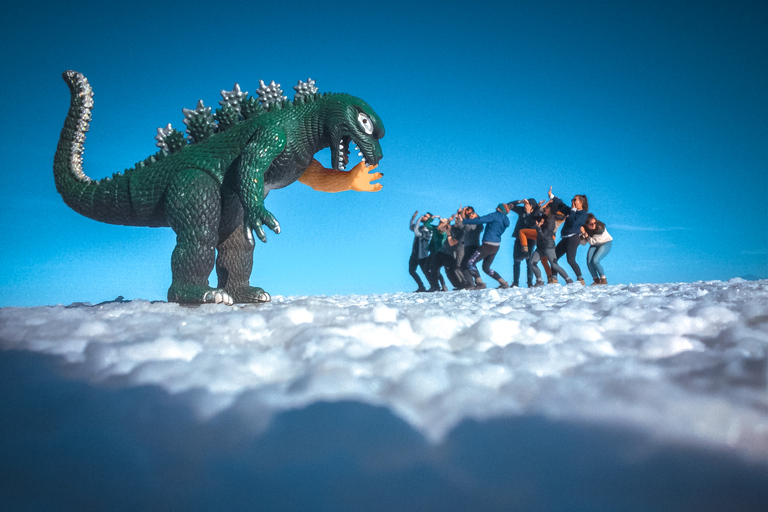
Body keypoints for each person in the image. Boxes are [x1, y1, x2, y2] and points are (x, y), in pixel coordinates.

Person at [520, 199, 572, 285]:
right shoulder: (544, 217)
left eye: (547, 207)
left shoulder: (551, 221)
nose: (545, 208)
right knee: (532, 263)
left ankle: (568, 280)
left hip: (548, 246)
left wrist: (538, 227)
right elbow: (533, 217)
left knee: (554, 265)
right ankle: (539, 280)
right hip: (540, 247)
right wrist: (537, 206)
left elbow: (544, 235)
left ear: (551, 210)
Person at [461, 204, 511, 289]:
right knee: (486, 268)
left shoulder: (495, 215)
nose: (496, 208)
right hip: (496, 246)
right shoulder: (506, 219)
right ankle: (503, 283)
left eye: (497, 207)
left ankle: (480, 283)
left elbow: (481, 220)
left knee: (470, 263)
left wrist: (464, 220)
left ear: (499, 209)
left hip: (488, 245)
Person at [549, 188, 589, 285]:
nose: (572, 201)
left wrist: (573, 210)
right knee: (554, 257)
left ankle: (580, 279)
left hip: (573, 238)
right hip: (565, 238)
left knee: (570, 260)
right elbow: (561, 205)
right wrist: (552, 196)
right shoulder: (571, 211)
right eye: (572, 199)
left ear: (581, 202)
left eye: (575, 200)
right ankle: (553, 279)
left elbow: (573, 222)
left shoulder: (583, 214)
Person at [506, 198, 538, 287]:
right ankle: (515, 283)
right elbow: (509, 205)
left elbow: (532, 225)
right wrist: (519, 201)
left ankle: (530, 282)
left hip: (530, 240)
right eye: (525, 204)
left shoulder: (536, 214)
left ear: (532, 206)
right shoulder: (521, 211)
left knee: (529, 262)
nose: (525, 206)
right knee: (516, 260)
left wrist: (528, 213)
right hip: (518, 238)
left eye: (527, 204)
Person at [455, 206, 483, 289]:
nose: (470, 215)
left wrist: (463, 215)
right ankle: (478, 282)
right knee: (469, 264)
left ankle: (472, 284)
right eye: (468, 213)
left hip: (473, 245)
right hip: (467, 246)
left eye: (472, 213)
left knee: (465, 265)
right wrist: (460, 214)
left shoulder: (477, 223)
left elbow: (468, 228)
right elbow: (459, 225)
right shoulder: (467, 222)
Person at [581, 213, 613, 285]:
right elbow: (583, 243)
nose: (593, 225)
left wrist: (584, 233)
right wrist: (581, 234)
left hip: (605, 243)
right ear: (586, 224)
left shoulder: (599, 228)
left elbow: (592, 242)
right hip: (595, 244)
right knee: (589, 262)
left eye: (594, 223)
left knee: (595, 260)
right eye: (591, 224)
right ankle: (596, 280)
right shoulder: (586, 229)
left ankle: (603, 279)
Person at [409, 211, 435, 292]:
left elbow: (417, 233)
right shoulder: (420, 227)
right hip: (415, 253)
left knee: (425, 271)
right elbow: (411, 227)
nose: (423, 217)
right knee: (411, 270)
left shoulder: (430, 230)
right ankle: (421, 286)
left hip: (423, 254)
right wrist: (413, 218)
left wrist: (417, 222)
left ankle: (434, 286)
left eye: (426, 216)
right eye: (424, 216)